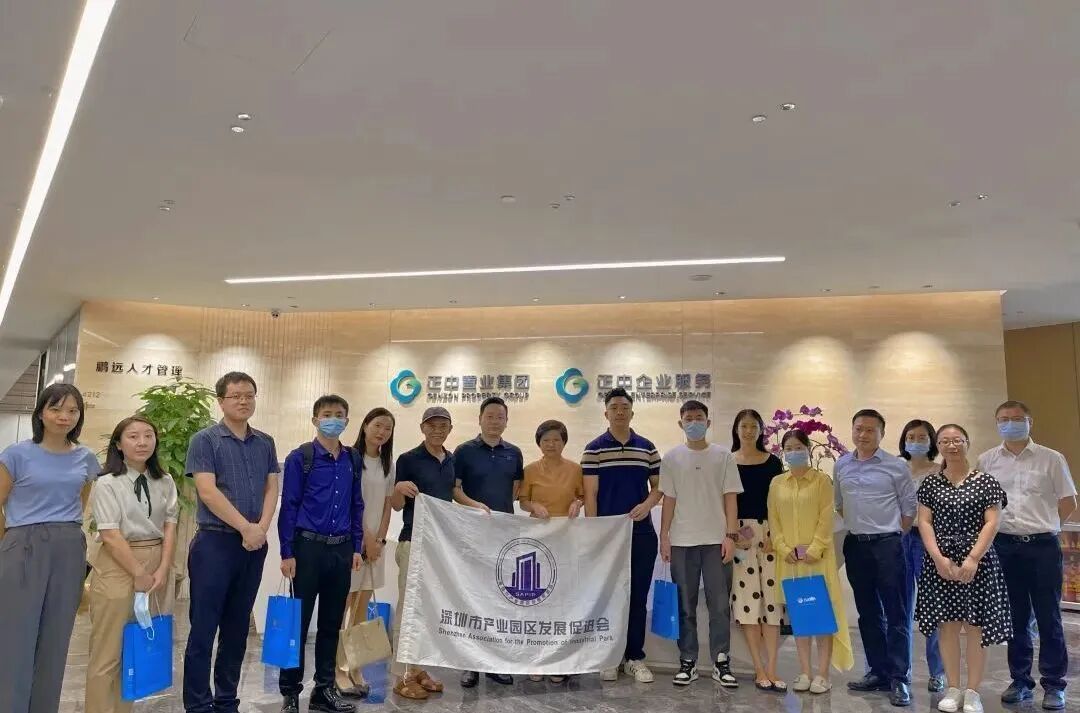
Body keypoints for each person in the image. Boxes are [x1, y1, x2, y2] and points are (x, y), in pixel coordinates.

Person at [0, 383, 101, 713]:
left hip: (68, 546)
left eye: (72, 410)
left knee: (56, 638)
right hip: (22, 543)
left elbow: (80, 502)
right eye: (56, 409)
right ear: (41, 412)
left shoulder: (86, 458)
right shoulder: (16, 454)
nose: (64, 417)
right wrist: (9, 543)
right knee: (16, 636)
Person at [183, 372, 280, 713]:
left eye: (249, 395)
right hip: (215, 544)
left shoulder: (265, 442)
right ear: (220, 401)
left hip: (253, 545)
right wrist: (245, 528)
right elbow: (207, 491)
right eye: (236, 395)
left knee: (237, 629)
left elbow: (272, 487)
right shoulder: (205, 440)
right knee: (203, 629)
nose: (243, 401)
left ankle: (226, 700)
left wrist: (261, 528)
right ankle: (198, 704)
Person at [977, 400, 1076, 711]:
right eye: (1004, 419)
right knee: (1015, 617)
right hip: (1004, 547)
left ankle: (1054, 684)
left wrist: (1048, 527)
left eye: (1017, 418)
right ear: (997, 423)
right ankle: (1020, 680)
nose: (1010, 423)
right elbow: (982, 505)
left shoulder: (1051, 458)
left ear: (1030, 422)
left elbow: (1068, 501)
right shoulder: (987, 460)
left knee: (1049, 616)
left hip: (1043, 547)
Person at [85, 416, 179, 713]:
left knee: (136, 648)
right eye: (133, 436)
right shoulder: (107, 483)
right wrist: (138, 572)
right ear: (118, 444)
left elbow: (170, 525)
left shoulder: (165, 481)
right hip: (119, 562)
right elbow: (110, 534)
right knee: (107, 652)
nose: (142, 442)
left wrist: (163, 568)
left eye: (148, 436)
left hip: (157, 561)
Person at [916, 424, 1012, 713]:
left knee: (975, 627)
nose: (952, 445)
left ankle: (973, 692)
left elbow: (992, 522)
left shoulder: (986, 481)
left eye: (957, 440)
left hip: (978, 561)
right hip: (941, 562)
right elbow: (924, 522)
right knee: (947, 627)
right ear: (938, 446)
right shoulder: (930, 484)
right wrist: (937, 558)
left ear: (967, 443)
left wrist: (973, 558)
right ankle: (953, 688)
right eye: (945, 441)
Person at [277, 395, 364, 713]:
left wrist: (357, 546)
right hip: (307, 548)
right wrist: (287, 551)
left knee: (330, 624)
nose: (333, 420)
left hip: (341, 549)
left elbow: (357, 504)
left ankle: (324, 690)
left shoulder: (352, 458)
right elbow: (289, 506)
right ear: (315, 420)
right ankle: (290, 692)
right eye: (327, 414)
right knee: (297, 625)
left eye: (340, 415)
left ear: (347, 421)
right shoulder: (301, 457)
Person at [391, 406, 478, 700]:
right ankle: (401, 676)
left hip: (438, 546)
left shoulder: (452, 460)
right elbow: (396, 505)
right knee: (407, 610)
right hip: (413, 541)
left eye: (443, 426)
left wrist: (477, 507)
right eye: (432, 425)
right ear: (422, 428)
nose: (437, 430)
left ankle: (417, 670)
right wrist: (399, 489)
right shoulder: (408, 459)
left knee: (427, 610)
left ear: (450, 429)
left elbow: (452, 494)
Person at [834, 408, 916, 707]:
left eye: (870, 429)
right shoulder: (842, 464)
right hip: (857, 545)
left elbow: (909, 509)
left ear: (882, 433)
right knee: (868, 613)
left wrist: (891, 536)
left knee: (896, 613)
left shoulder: (896, 466)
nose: (863, 434)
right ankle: (878, 671)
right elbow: (839, 505)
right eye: (858, 428)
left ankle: (899, 678)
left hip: (888, 545)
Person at [582, 387, 663, 683]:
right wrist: (594, 532)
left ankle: (634, 657)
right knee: (609, 596)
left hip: (641, 533)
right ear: (606, 413)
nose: (619, 411)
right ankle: (609, 656)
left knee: (638, 597)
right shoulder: (594, 449)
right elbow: (590, 494)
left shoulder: (647, 448)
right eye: (614, 407)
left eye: (624, 407)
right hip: (607, 536)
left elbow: (659, 487)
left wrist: (647, 505)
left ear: (632, 412)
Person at [658, 400, 741, 688]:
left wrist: (731, 536)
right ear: (680, 423)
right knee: (685, 604)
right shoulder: (671, 458)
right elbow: (669, 500)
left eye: (699, 417)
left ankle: (721, 661)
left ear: (708, 422)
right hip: (682, 541)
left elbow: (731, 498)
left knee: (719, 605)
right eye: (688, 418)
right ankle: (688, 660)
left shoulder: (723, 456)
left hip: (716, 541)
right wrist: (664, 536)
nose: (694, 422)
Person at [769, 429, 854, 694]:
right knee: (800, 618)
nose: (794, 452)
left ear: (807, 449)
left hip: (817, 560)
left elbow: (826, 518)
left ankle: (823, 674)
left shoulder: (821, 481)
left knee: (820, 616)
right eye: (789, 448)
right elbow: (774, 520)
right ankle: (805, 672)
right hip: (790, 561)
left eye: (798, 447)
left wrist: (814, 549)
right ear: (783, 452)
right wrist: (783, 548)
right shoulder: (777, 483)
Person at [453, 396, 523, 688]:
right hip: (472, 535)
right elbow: (455, 490)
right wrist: (476, 506)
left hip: (503, 537)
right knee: (472, 598)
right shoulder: (463, 451)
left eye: (500, 417)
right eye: (490, 416)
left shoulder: (514, 453)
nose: (495, 421)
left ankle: (495, 662)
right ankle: (470, 665)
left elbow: (516, 491)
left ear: (507, 421)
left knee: (498, 600)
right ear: (480, 419)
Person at [519, 419, 584, 683]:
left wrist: (577, 503)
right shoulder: (530, 470)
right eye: (546, 440)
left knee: (561, 600)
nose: (551, 444)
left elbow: (581, 495)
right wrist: (533, 506)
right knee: (536, 598)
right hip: (537, 540)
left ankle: (558, 660)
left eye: (556, 439)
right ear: (539, 443)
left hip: (565, 539)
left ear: (564, 442)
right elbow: (522, 501)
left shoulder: (575, 469)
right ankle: (536, 659)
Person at [339, 407, 396, 696]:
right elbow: (351, 502)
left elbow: (387, 506)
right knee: (343, 606)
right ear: (364, 426)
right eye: (377, 425)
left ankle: (355, 666)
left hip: (375, 548)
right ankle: (338, 670)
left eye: (387, 428)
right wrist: (367, 539)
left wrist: (380, 540)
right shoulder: (350, 458)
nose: (381, 431)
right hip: (353, 544)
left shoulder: (388, 464)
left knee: (361, 609)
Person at [730, 408, 787, 691]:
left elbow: (780, 502)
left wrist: (775, 534)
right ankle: (759, 668)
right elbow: (724, 501)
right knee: (747, 603)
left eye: (754, 426)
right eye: (744, 426)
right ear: (736, 430)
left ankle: (773, 668)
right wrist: (732, 534)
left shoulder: (773, 462)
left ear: (761, 430)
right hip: (739, 536)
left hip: (770, 535)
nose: (749, 431)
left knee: (772, 604)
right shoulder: (728, 461)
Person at [898, 419, 947, 693]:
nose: (916, 441)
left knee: (932, 607)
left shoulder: (941, 470)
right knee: (900, 606)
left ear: (931, 441)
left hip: (928, 540)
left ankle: (937, 672)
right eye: (911, 437)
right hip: (898, 538)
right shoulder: (896, 468)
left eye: (922, 437)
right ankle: (901, 670)